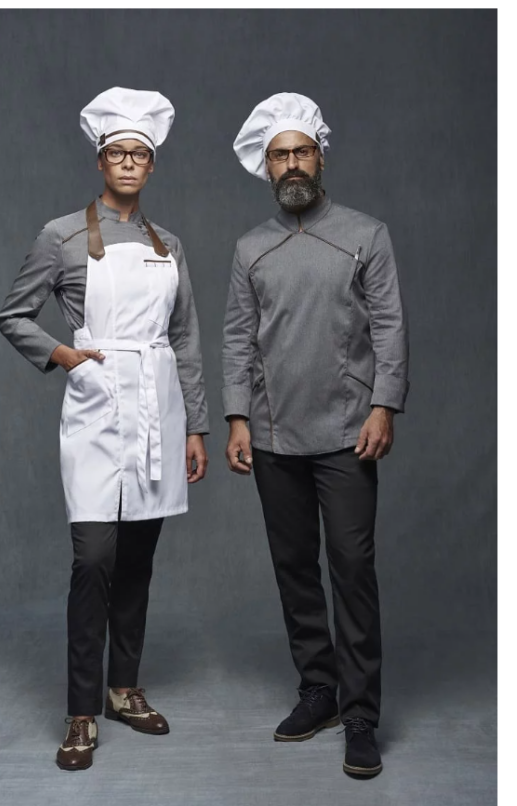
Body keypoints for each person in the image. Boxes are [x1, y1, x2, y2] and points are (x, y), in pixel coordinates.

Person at [0, 86, 209, 771]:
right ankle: (81, 711)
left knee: (138, 560)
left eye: (139, 155)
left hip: (157, 407)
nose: (128, 164)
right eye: (117, 153)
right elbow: (14, 315)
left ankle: (123, 689)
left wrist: (195, 427)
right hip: (95, 406)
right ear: (100, 161)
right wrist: (63, 355)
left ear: (151, 166)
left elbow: (186, 338)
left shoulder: (168, 245)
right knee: (93, 559)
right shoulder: (60, 236)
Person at [222, 92, 409, 778]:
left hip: (348, 432)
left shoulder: (366, 234)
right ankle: (319, 691)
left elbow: (388, 326)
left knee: (352, 569)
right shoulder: (250, 248)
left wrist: (384, 404)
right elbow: (237, 338)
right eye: (280, 155)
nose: (292, 163)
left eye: (302, 151)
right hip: (274, 435)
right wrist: (237, 417)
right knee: (295, 567)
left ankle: (360, 715)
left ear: (321, 157)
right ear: (265, 167)